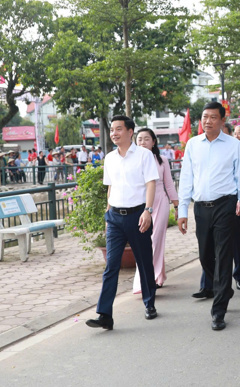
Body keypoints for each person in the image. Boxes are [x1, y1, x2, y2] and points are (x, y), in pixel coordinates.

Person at [177, 102, 240, 331]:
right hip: (201, 207)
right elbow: (186, 178)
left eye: (212, 117)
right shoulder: (192, 145)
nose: (207, 121)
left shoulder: (233, 145)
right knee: (205, 255)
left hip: (225, 205)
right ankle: (222, 287)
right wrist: (182, 211)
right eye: (204, 117)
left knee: (224, 255)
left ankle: (219, 311)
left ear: (222, 120)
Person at [86, 115, 159, 330]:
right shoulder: (109, 158)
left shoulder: (144, 155)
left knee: (144, 261)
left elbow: (151, 184)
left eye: (119, 129)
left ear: (130, 132)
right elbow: (111, 186)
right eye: (112, 130)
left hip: (138, 215)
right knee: (111, 266)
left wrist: (148, 210)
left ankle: (149, 303)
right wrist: (108, 214)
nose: (114, 133)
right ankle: (105, 314)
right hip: (115, 218)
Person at [197, 125, 240, 293]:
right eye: (233, 133)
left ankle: (238, 276)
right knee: (210, 249)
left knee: (235, 244)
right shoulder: (204, 149)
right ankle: (211, 285)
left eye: (236, 134)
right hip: (211, 205)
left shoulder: (236, 148)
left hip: (233, 202)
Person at [133, 128, 179, 293]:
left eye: (146, 139)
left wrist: (176, 206)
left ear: (153, 142)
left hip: (160, 202)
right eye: (139, 139)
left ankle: (146, 281)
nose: (142, 142)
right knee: (143, 242)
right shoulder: (132, 160)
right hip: (139, 204)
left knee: (156, 241)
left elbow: (169, 185)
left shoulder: (162, 160)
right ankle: (157, 276)